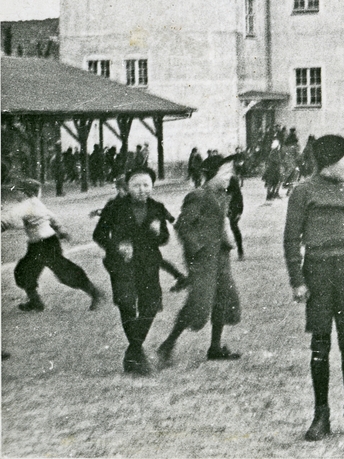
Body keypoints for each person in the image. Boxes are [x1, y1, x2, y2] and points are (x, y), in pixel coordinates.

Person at [284, 135, 344, 441]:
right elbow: (290, 239)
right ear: (329, 162)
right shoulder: (302, 191)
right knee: (320, 344)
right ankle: (320, 414)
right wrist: (297, 280)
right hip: (317, 272)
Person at [156, 154, 242, 367]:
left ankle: (215, 347)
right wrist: (198, 250)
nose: (229, 177)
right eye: (225, 173)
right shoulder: (198, 195)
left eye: (231, 172)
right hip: (203, 259)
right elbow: (183, 226)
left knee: (224, 299)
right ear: (210, 175)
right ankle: (167, 345)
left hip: (221, 256)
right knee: (199, 305)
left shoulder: (222, 194)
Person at [92, 168, 173, 374]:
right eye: (136, 185)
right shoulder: (115, 207)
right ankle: (136, 356)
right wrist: (116, 246)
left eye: (146, 185)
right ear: (128, 187)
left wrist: (158, 232)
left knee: (151, 304)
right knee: (127, 304)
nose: (141, 189)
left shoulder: (157, 208)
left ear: (152, 187)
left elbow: (164, 238)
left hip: (147, 263)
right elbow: (99, 234)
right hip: (122, 264)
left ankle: (133, 351)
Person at [1, 176, 103, 312]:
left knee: (58, 271)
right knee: (27, 271)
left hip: (42, 245)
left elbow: (7, 220)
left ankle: (95, 293)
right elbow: (51, 217)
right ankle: (35, 302)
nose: (16, 194)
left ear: (25, 192)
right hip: (46, 242)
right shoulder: (36, 203)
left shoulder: (26, 205)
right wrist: (60, 230)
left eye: (18, 191)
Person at [227, 167, 245, 259]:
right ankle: (239, 249)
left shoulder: (236, 192)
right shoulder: (232, 190)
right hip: (231, 210)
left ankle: (240, 250)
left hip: (234, 210)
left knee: (234, 227)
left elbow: (240, 202)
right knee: (233, 227)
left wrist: (238, 213)